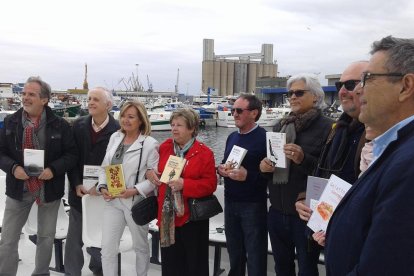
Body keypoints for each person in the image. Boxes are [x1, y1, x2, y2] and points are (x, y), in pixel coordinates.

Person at [325, 36, 414, 275]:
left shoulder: (408, 163)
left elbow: (387, 265)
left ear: (405, 86)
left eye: (368, 78)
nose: (359, 89)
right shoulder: (396, 149)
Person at [0, 76, 78, 275]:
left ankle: (41, 273)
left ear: (44, 99)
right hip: (19, 189)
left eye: (31, 94)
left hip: (48, 189)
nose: (25, 98)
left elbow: (71, 155)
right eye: (23, 94)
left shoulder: (60, 125)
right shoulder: (11, 122)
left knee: (46, 237)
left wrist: (53, 169)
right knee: (8, 239)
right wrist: (12, 168)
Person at [260, 74, 333, 276]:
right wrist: (265, 168)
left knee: (307, 269)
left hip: (305, 215)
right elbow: (273, 167)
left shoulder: (329, 128)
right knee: (281, 267)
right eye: (290, 93)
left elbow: (329, 173)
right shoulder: (280, 125)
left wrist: (304, 158)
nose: (292, 97)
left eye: (299, 92)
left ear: (316, 97)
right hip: (276, 210)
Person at [295, 61, 368, 222]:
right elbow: (322, 172)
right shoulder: (338, 130)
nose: (342, 91)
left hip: (354, 229)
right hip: (324, 225)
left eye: (350, 85)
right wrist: (304, 198)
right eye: (339, 85)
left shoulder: (376, 133)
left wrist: (302, 158)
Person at [149, 108, 216, 276]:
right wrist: (149, 173)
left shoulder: (204, 153)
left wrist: (185, 184)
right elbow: (151, 168)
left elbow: (210, 185)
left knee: (195, 266)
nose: (174, 129)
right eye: (172, 125)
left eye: (179, 125)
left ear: (192, 128)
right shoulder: (164, 147)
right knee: (171, 266)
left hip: (192, 218)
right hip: (168, 217)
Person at [96, 101, 159, 276]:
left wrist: (134, 190)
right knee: (107, 248)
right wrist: (102, 187)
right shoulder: (115, 137)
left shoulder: (149, 144)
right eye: (123, 115)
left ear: (141, 120)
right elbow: (104, 167)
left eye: (131, 117)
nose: (125, 120)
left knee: (140, 247)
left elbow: (154, 179)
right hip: (113, 202)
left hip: (135, 203)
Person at [64, 87, 119, 276]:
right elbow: (71, 158)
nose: (90, 103)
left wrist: (102, 186)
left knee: (101, 240)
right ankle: (72, 273)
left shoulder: (119, 130)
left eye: (96, 99)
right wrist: (76, 183)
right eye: (89, 99)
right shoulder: (78, 126)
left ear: (108, 105)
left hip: (105, 196)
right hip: (80, 193)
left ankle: (99, 270)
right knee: (73, 241)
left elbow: (119, 165)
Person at [217, 94, 268, 276]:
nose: (234, 114)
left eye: (239, 110)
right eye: (233, 110)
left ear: (254, 113)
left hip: (253, 205)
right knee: (235, 253)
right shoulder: (232, 137)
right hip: (230, 202)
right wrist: (221, 169)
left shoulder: (265, 138)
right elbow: (225, 162)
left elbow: (272, 177)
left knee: (255, 255)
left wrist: (248, 176)